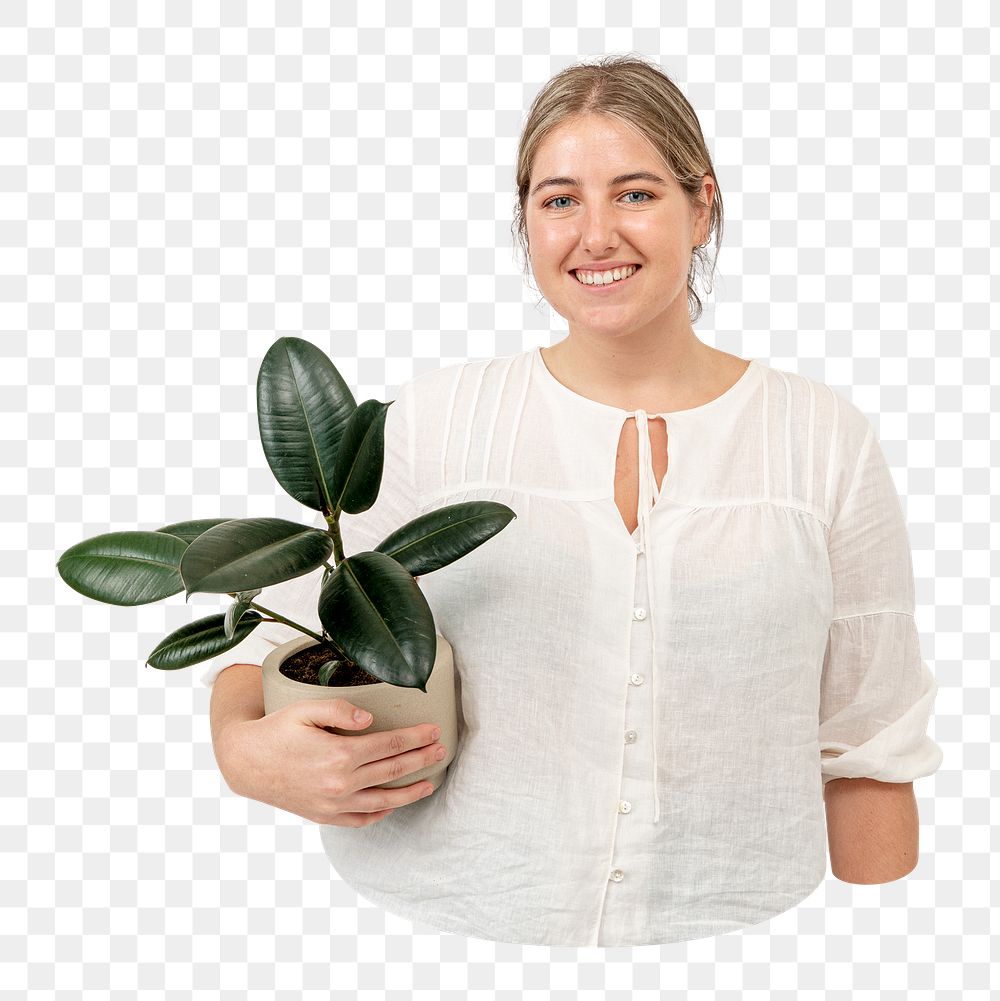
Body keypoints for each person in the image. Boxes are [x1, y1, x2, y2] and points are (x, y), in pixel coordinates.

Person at [201, 55, 943, 947]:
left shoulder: (822, 436)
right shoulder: (437, 421)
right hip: (439, 932)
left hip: (742, 941)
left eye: (635, 194)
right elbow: (278, 638)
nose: (596, 235)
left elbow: (869, 730)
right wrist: (244, 755)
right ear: (525, 220)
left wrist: (889, 949)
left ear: (701, 205)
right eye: (559, 200)